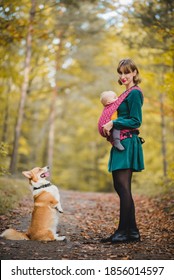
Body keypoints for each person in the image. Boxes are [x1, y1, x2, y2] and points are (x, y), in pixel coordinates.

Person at [101, 58, 144, 244]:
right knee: (122, 188)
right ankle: (131, 231)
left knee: (123, 188)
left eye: (127, 72)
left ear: (134, 73)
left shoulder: (134, 93)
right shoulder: (124, 94)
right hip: (122, 142)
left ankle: (122, 232)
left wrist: (114, 122)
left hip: (127, 143)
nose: (123, 76)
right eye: (120, 72)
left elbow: (136, 121)